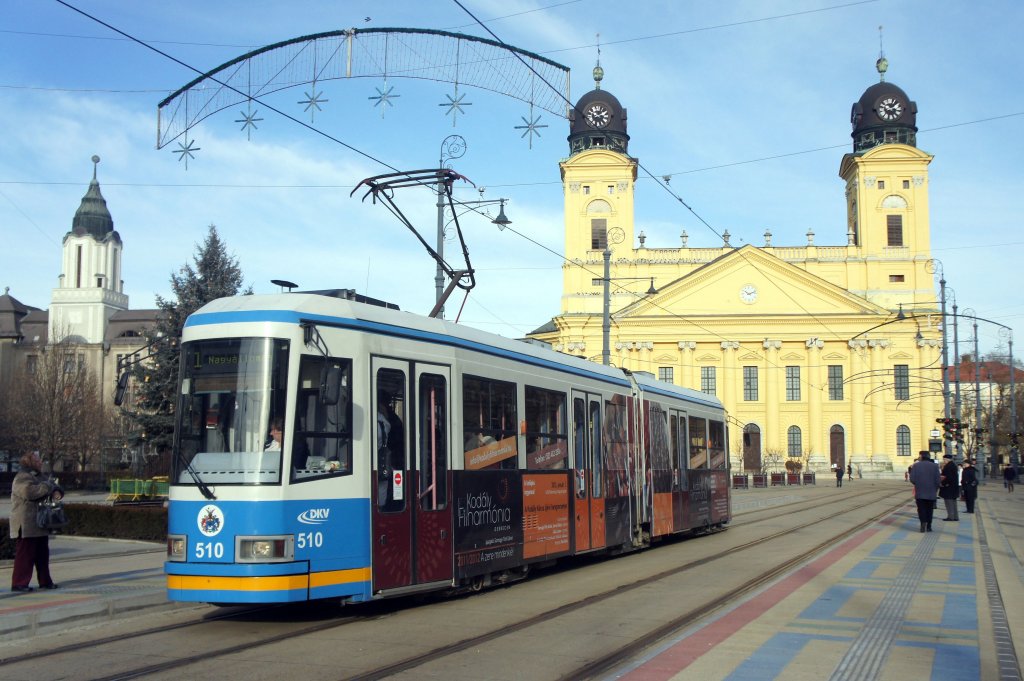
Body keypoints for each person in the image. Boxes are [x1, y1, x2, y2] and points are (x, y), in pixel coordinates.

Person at [9, 453, 63, 593]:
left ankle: (45, 581)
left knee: (42, 554)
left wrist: (57, 491)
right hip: (26, 523)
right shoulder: (22, 477)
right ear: (30, 462)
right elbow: (29, 492)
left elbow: (54, 486)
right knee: (25, 555)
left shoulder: (39, 476)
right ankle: (19, 583)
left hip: (39, 522)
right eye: (38, 460)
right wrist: (47, 487)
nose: (41, 462)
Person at [909, 450, 941, 532]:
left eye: (919, 456)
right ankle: (929, 526)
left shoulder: (916, 466)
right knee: (929, 509)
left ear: (922, 456)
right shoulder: (935, 466)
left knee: (921, 509)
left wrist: (918, 484)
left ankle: (923, 523)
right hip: (931, 492)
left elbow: (912, 479)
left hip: (920, 491)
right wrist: (935, 488)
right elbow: (938, 480)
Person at [939, 453, 960, 521]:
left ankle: (951, 517)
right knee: (953, 502)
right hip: (953, 487)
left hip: (949, 488)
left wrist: (943, 483)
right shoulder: (953, 465)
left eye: (944, 459)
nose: (944, 461)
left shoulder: (948, 466)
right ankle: (955, 516)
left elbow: (948, 477)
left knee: (949, 502)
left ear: (947, 459)